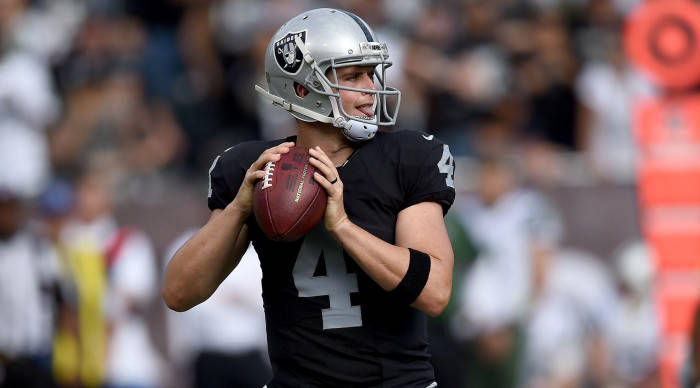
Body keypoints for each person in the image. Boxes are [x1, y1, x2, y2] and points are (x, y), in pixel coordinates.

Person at [163, 8, 456, 388]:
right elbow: (178, 293)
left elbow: (434, 292)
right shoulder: (255, 168)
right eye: (354, 76)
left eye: (371, 73)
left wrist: (343, 227)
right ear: (303, 89)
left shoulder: (406, 157)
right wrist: (238, 209)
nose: (371, 87)